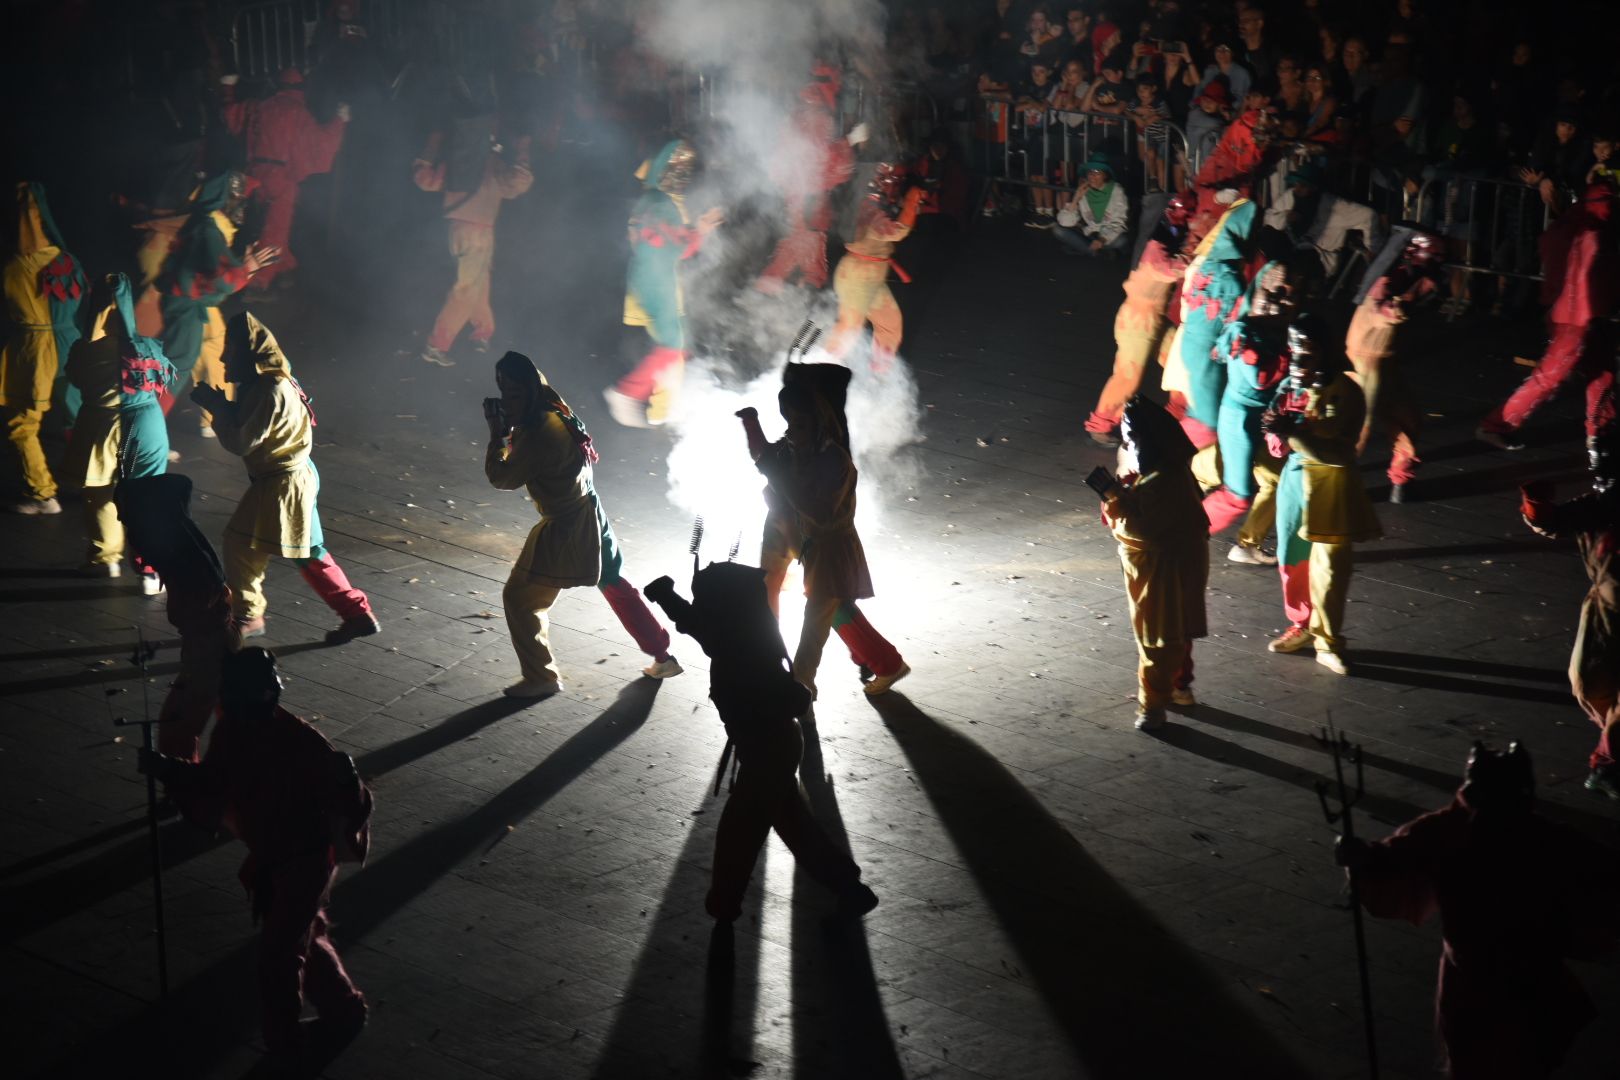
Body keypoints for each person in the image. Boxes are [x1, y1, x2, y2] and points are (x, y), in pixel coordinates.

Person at [138, 648, 372, 1065]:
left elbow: (350, 806)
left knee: (279, 957)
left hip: (304, 859)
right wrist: (167, 769)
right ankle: (345, 1010)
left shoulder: (298, 740)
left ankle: (286, 1047)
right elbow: (215, 779)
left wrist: (348, 781)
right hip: (275, 854)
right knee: (307, 938)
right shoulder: (234, 731)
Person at [1336, 741, 1620, 1079]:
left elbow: (1602, 874)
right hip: (1472, 979)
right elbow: (1392, 859)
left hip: (1528, 975)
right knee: (1479, 1060)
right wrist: (1364, 859)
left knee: (1524, 1059)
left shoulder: (1539, 838)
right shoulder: (1449, 831)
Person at [643, 561, 880, 923]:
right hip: (771, 748)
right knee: (792, 823)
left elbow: (698, 624)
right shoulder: (745, 628)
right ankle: (849, 888)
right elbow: (696, 623)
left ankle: (723, 905)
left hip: (767, 752)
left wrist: (666, 595)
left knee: (739, 833)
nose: (700, 606)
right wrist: (666, 596)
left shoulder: (736, 644)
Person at [485, 351, 681, 697]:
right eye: (504, 393)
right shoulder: (556, 412)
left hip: (567, 527)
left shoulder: (538, 433)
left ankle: (541, 678)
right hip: (592, 513)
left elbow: (502, 478)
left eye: (514, 394)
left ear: (530, 391)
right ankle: (662, 655)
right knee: (614, 582)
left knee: (520, 599)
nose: (507, 401)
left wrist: (495, 438)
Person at [195, 312, 378, 645]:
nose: (223, 358)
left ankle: (249, 616)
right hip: (295, 476)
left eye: (231, 349)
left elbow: (240, 442)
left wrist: (215, 407)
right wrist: (222, 404)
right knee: (308, 551)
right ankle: (356, 613)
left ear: (249, 353)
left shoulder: (270, 388)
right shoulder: (274, 380)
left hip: (282, 483)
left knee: (240, 544)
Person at [740, 365, 909, 700]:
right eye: (787, 419)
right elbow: (766, 459)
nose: (792, 429)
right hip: (788, 529)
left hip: (826, 547)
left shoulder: (833, 460)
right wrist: (751, 424)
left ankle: (801, 684)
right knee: (770, 590)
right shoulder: (793, 445)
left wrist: (780, 485)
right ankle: (774, 662)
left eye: (799, 422)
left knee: (819, 614)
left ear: (817, 420)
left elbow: (820, 509)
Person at [1262, 312, 1381, 675]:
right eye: (1293, 348)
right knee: (1291, 559)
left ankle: (1328, 641)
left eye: (1307, 350)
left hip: (1331, 487)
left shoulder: (1346, 393)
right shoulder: (1289, 388)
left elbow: (1341, 454)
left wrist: (1294, 433)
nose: (1298, 358)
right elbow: (1275, 444)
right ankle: (1301, 622)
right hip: (1295, 483)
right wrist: (1276, 430)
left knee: (1330, 569)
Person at [1478, 180, 1618, 451]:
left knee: (1601, 373)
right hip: (1578, 318)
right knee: (1551, 377)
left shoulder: (1568, 228)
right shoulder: (1592, 234)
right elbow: (1598, 280)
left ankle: (1599, 430)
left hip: (1570, 313)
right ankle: (1494, 425)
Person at [1097, 396, 1209, 732]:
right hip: (1184, 562)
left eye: (1131, 438)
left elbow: (1138, 532)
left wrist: (1113, 499)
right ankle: (1179, 688)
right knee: (1180, 630)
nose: (1128, 444)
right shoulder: (1172, 471)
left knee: (1158, 637)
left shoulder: (1160, 481)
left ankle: (1153, 706)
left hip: (1160, 571)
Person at [1521, 440, 1620, 799]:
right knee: (1587, 683)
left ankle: (1607, 763)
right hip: (1603, 612)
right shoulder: (1596, 507)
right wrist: (1536, 505)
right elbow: (1552, 524)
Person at [63, 273, 175, 589]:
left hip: (100, 425)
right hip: (145, 425)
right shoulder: (148, 348)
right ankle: (150, 571)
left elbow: (74, 379)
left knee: (99, 493)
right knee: (146, 497)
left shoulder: (85, 350)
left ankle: (104, 559)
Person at [602, 140, 722, 426]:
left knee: (678, 341)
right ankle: (626, 394)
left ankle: (664, 405)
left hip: (654, 276)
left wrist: (697, 231)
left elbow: (673, 244)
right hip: (655, 278)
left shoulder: (654, 200)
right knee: (672, 343)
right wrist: (700, 231)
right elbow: (675, 247)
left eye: (685, 170)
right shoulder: (660, 203)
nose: (682, 177)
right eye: (677, 169)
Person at [117, 473, 236, 761]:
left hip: (207, 649)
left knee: (179, 727)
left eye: (128, 521)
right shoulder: (183, 541)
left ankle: (187, 781)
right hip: (209, 644)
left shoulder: (191, 575)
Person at [157, 172, 280, 436]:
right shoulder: (208, 228)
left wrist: (245, 268)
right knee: (175, 369)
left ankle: (154, 431)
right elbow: (218, 280)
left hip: (189, 306)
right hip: (187, 307)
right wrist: (247, 268)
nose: (241, 207)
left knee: (185, 363)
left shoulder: (203, 223)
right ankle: (144, 436)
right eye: (238, 200)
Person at [413, 99, 534, 367]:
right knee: (466, 288)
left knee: (478, 281)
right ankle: (436, 345)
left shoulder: (456, 160)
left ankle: (482, 332)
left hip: (454, 231)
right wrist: (524, 150)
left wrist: (432, 145)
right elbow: (518, 184)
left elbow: (424, 180)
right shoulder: (493, 163)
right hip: (479, 233)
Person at [221, 69, 350, 294]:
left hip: (249, 175)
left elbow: (231, 116)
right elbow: (322, 144)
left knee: (243, 227)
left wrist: (228, 88)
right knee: (275, 231)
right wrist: (341, 120)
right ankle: (258, 285)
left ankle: (285, 269)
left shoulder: (259, 107)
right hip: (281, 180)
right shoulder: (299, 113)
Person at [3, 183, 87, 514]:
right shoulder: (67, 259)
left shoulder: (14, 267)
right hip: (70, 342)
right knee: (80, 416)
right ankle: (100, 481)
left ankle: (42, 493)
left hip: (35, 349)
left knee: (23, 422)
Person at [1084, 194, 1193, 446]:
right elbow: (1180, 268)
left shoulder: (1159, 247)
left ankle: (1179, 411)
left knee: (1179, 361)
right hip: (1138, 322)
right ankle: (1102, 423)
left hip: (1153, 319)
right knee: (1127, 376)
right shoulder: (1155, 256)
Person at [1206, 249, 1296, 548]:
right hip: (1241, 419)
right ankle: (1185, 530)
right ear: (1257, 291)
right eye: (1273, 292)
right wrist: (1291, 357)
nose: (1279, 301)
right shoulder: (1243, 332)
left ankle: (1248, 544)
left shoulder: (1285, 330)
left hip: (1265, 419)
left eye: (1287, 295)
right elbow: (1259, 380)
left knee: (1278, 477)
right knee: (1238, 495)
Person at [1345, 232, 1442, 502]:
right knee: (1360, 427)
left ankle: (1401, 478)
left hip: (1383, 359)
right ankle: (1332, 482)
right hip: (1368, 362)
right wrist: (1411, 296)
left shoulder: (1404, 274)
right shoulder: (1385, 284)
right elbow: (1386, 308)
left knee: (1407, 416)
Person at [755, 63, 864, 293]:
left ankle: (799, 291)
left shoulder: (800, 113)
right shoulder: (817, 117)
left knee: (807, 248)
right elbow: (821, 164)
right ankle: (769, 295)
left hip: (799, 195)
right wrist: (850, 142)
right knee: (801, 247)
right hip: (807, 195)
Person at [825, 162, 923, 373]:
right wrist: (912, 202)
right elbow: (897, 231)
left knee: (890, 324)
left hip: (871, 277)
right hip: (857, 277)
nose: (894, 184)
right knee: (849, 328)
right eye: (890, 179)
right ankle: (817, 371)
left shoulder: (876, 200)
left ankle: (879, 373)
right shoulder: (868, 205)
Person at [1054, 153, 1129, 257]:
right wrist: (1076, 199)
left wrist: (1102, 240)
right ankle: (1099, 253)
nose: (1093, 176)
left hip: (1108, 236)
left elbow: (1119, 222)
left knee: (1122, 241)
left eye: (1097, 172)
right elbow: (1065, 223)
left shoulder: (1117, 191)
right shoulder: (1084, 191)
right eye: (1090, 172)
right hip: (1090, 234)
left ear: (1105, 175)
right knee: (1058, 230)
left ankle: (1083, 249)